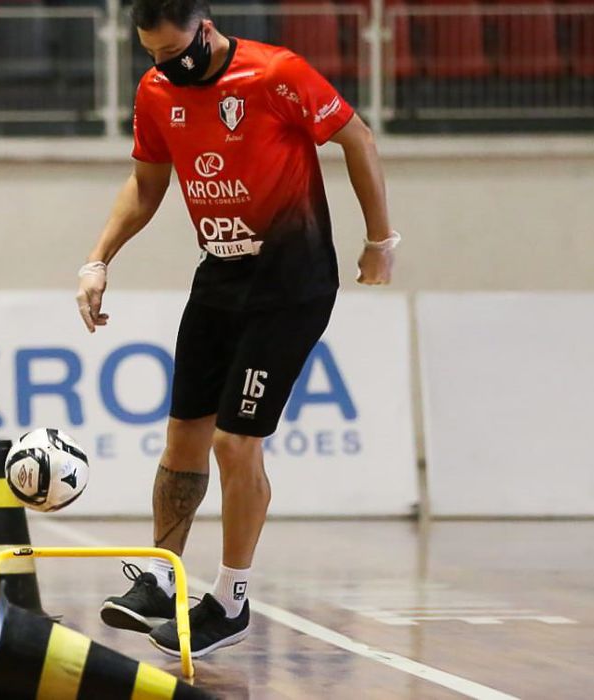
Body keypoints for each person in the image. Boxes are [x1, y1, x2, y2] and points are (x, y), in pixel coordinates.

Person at [75, 0, 396, 658]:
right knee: (183, 435)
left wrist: (379, 239)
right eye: (153, 57)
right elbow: (145, 184)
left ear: (207, 27)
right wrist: (98, 259)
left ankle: (230, 598)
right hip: (217, 277)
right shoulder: (157, 92)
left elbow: (357, 137)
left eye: (174, 53)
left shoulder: (277, 73)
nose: (166, 67)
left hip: (291, 283)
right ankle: (161, 579)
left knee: (234, 442)